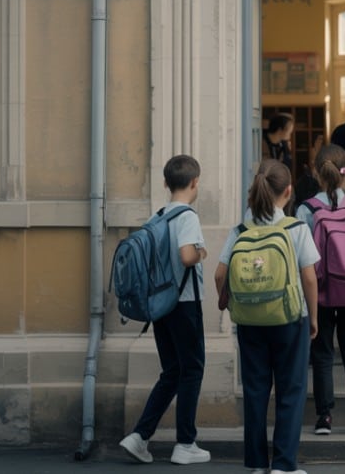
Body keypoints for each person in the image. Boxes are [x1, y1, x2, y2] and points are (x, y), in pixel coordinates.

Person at [214, 159, 319, 474]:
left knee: (255, 390)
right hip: (289, 318)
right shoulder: (295, 228)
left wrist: (230, 305)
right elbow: (309, 278)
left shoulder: (240, 230)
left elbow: (219, 274)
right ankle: (284, 464)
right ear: (288, 191)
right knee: (291, 389)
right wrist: (313, 318)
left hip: (250, 320)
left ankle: (257, 462)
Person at [119, 155, 212, 466]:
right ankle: (185, 443)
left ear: (165, 183)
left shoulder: (156, 216)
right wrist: (201, 252)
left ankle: (139, 436)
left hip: (161, 305)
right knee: (192, 370)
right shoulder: (188, 217)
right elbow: (186, 256)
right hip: (185, 303)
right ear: (195, 182)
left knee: (172, 371)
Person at [295, 144, 345, 436]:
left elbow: (301, 256)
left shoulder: (306, 209)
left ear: (316, 172)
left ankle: (324, 417)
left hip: (321, 292)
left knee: (322, 355)